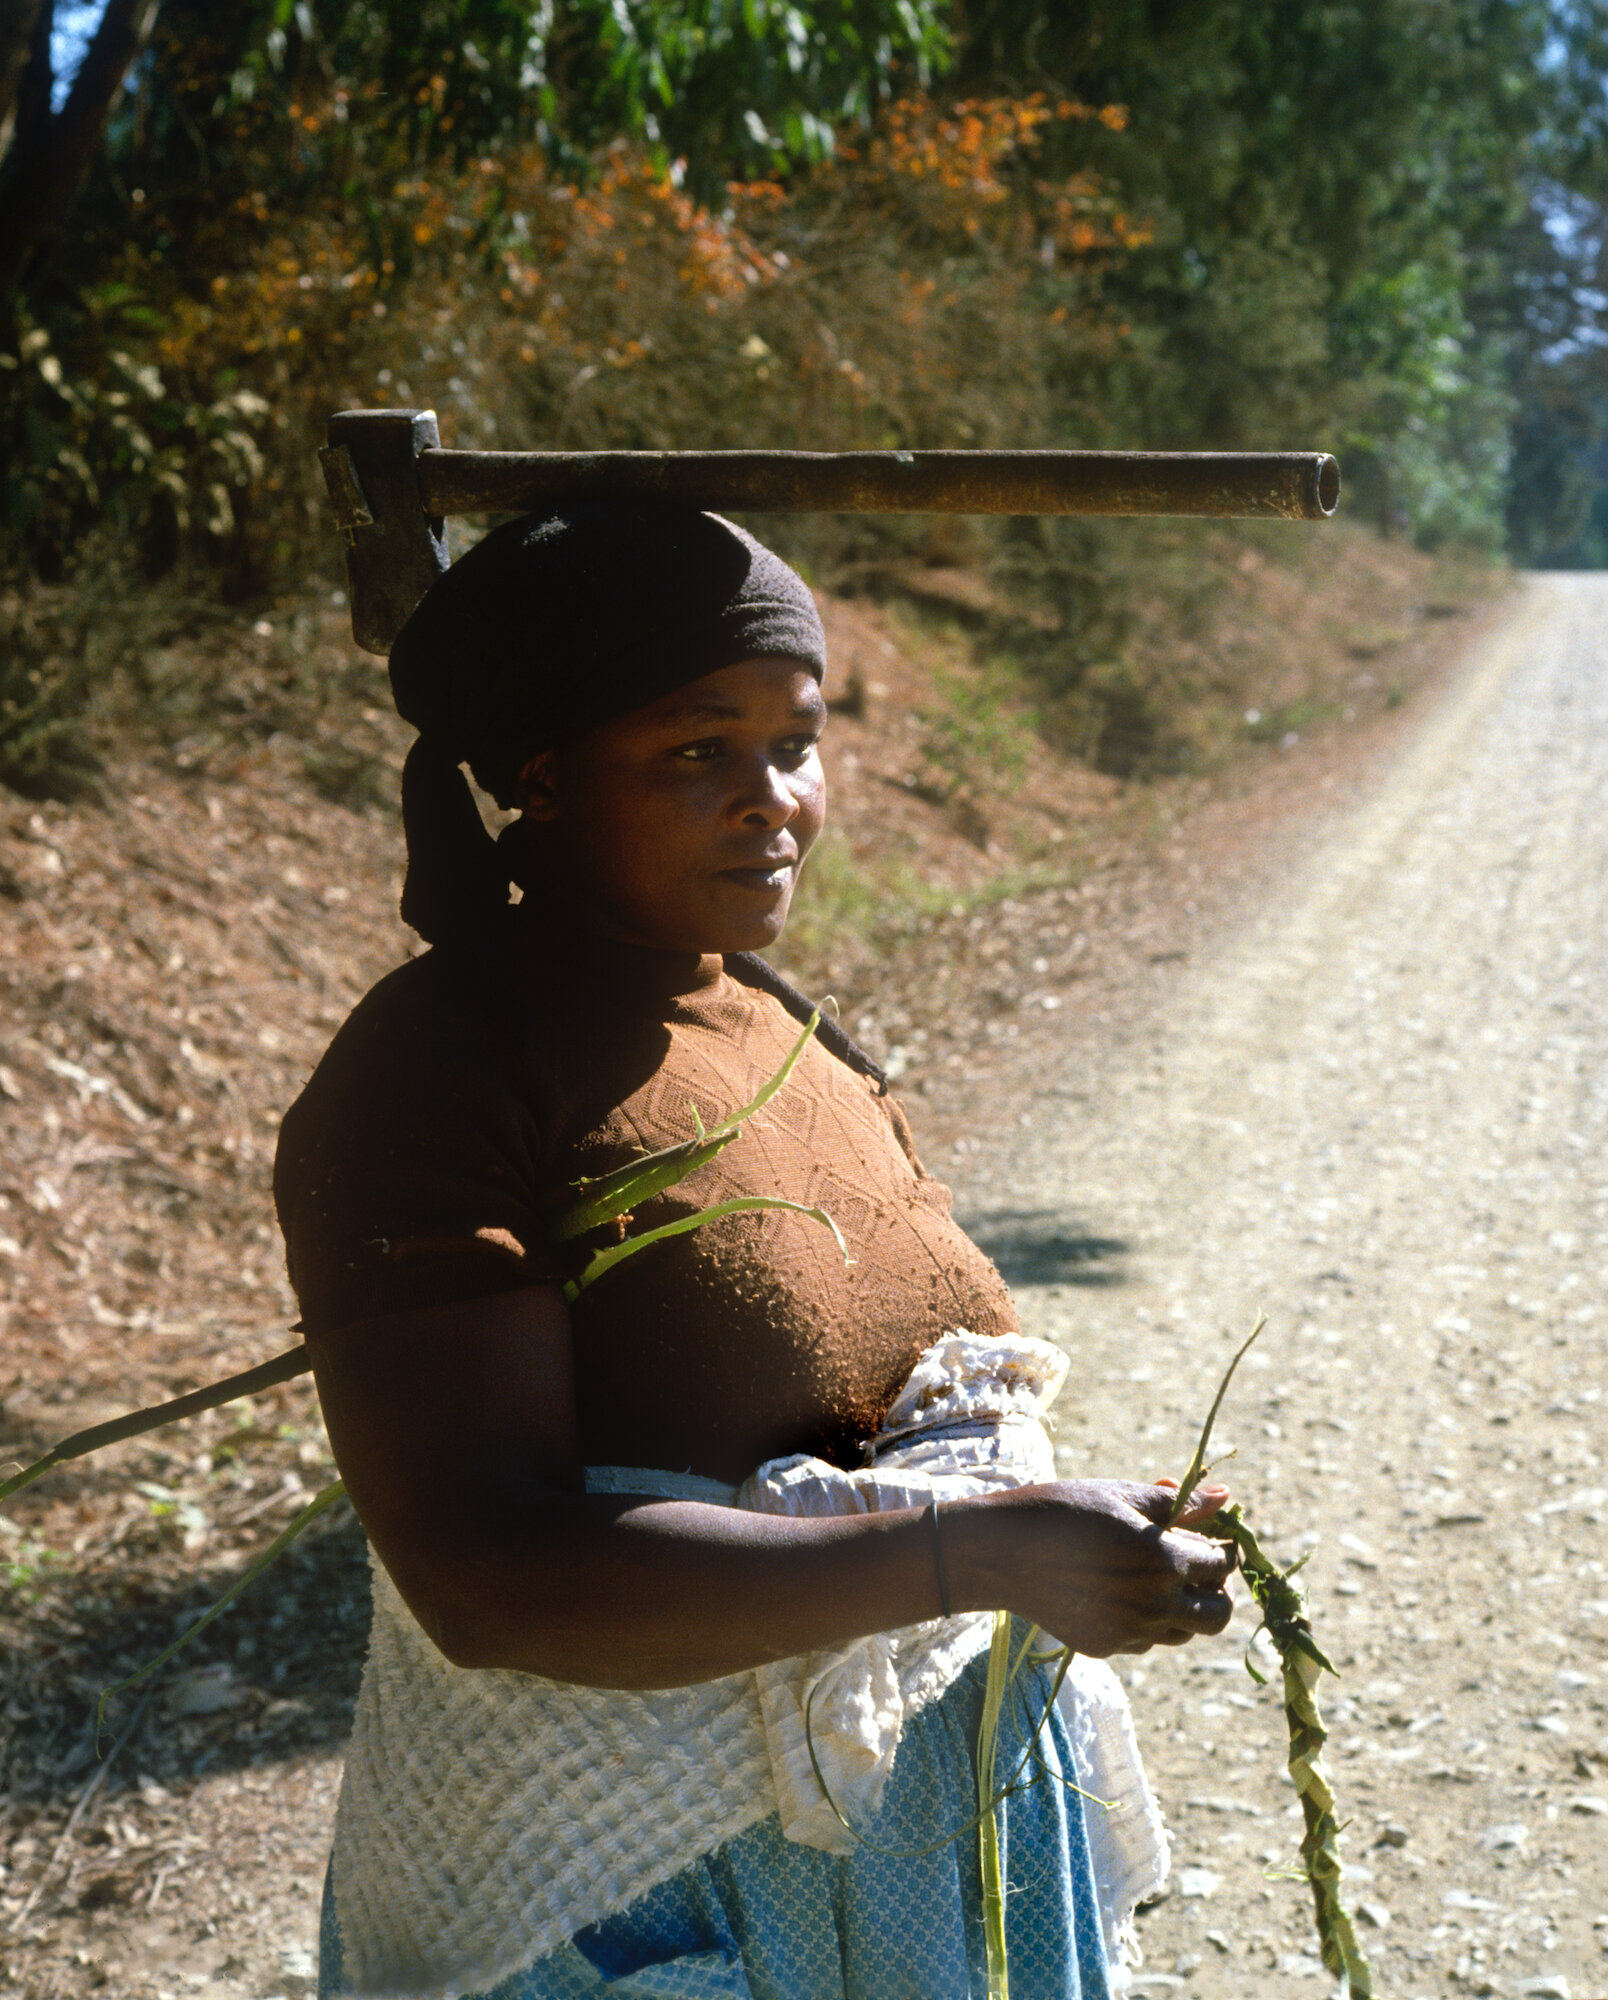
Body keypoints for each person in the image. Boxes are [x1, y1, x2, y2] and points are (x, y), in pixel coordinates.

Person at [273, 505, 1235, 2000]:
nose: (772, 799)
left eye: (796, 740)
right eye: (694, 750)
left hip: (929, 1866)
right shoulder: (440, 1073)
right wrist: (981, 1550)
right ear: (542, 774)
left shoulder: (787, 1028)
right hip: (641, 1897)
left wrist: (1069, 1536)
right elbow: (490, 1576)